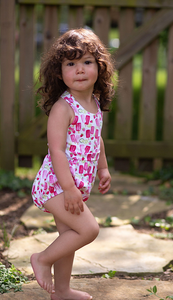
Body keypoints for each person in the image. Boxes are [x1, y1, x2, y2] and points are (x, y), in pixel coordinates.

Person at [30, 28, 115, 300]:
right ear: (59, 72)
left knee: (69, 236)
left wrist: (102, 168)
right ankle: (41, 259)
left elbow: (96, 138)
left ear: (99, 68)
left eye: (87, 62)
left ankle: (62, 291)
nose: (79, 70)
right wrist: (68, 188)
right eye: (71, 64)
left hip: (72, 186)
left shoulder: (94, 102)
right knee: (88, 229)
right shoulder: (63, 108)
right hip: (55, 185)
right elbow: (56, 151)